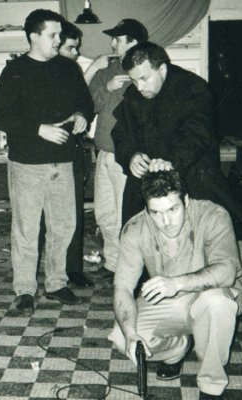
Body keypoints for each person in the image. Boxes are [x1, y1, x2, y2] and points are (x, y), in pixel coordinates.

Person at [110, 169, 242, 400]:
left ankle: (211, 387)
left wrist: (177, 283)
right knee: (121, 336)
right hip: (170, 298)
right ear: (147, 210)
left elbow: (226, 271)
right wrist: (131, 335)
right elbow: (122, 287)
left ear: (186, 201)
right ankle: (177, 348)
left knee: (216, 302)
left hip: (212, 293)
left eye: (173, 209)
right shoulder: (135, 228)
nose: (166, 222)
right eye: (156, 213)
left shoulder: (213, 215)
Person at [111, 41, 242, 251]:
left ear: (162, 69)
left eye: (144, 78)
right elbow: (120, 133)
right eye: (134, 80)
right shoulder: (134, 94)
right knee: (141, 244)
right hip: (147, 181)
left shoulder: (193, 89)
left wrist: (170, 163)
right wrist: (131, 155)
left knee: (216, 240)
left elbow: (196, 135)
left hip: (193, 177)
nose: (139, 87)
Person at [0, 9, 94, 316]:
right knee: (27, 229)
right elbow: (1, 116)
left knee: (64, 226)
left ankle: (56, 283)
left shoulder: (68, 68)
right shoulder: (14, 71)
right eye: (53, 35)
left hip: (63, 162)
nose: (58, 40)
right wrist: (39, 129)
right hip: (28, 164)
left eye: (59, 35)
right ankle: (25, 289)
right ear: (34, 36)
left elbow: (85, 102)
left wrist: (81, 115)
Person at [86, 19, 149, 282]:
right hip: (103, 152)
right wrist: (107, 87)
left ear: (134, 42)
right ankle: (112, 264)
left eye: (118, 39)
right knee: (104, 213)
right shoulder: (107, 69)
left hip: (128, 157)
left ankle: (131, 268)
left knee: (127, 214)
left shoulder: (146, 69)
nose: (112, 44)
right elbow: (89, 105)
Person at [57, 20, 93, 288]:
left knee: (74, 215)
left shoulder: (73, 70)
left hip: (73, 153)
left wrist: (81, 113)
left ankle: (74, 270)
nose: (76, 53)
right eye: (71, 48)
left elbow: (85, 103)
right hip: (44, 156)